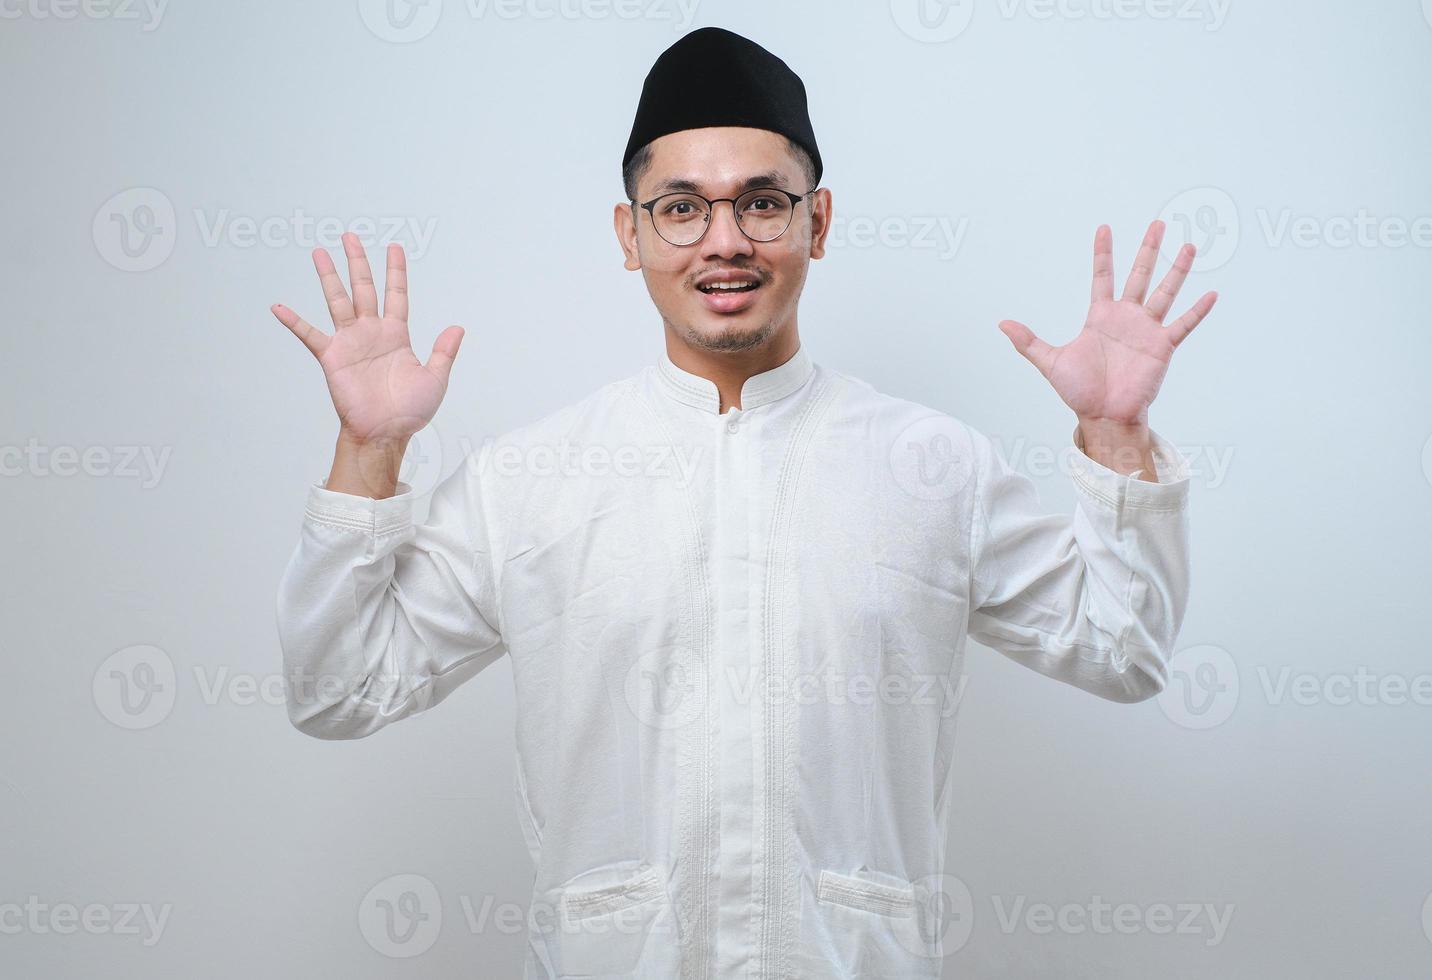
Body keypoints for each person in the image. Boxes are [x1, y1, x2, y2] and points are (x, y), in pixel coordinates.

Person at [271, 25, 1215, 980]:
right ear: (629, 234)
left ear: (819, 221)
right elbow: (337, 689)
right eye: (681, 206)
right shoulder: (531, 478)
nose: (725, 242)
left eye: (763, 203)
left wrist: (1116, 435)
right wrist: (371, 449)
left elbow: (1123, 650)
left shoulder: (933, 467)